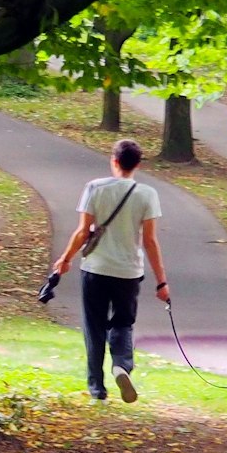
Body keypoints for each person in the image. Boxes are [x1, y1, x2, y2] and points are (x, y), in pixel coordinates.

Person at [51, 139, 170, 402]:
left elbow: (83, 232)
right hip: (128, 272)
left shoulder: (94, 188)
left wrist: (65, 259)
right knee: (123, 323)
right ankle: (121, 365)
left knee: (94, 327)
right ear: (138, 164)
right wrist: (162, 282)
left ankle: (97, 390)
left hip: (95, 268)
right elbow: (150, 241)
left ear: (113, 161)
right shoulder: (147, 194)